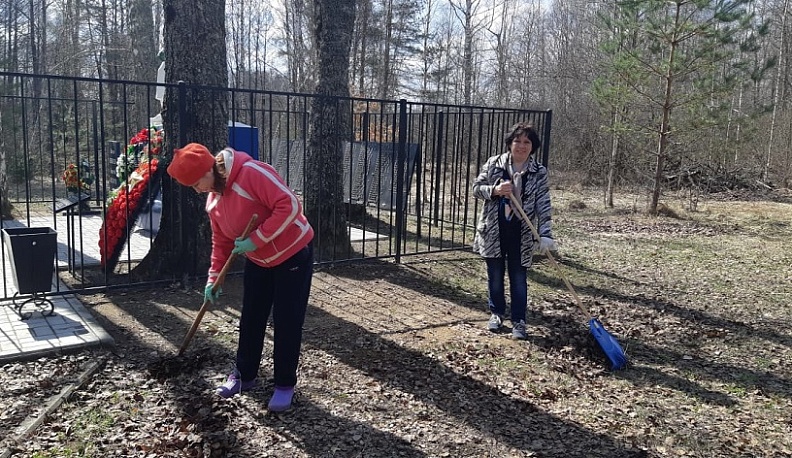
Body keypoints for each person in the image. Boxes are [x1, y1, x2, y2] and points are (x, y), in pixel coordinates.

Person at [167, 143, 314, 411]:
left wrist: (257, 239)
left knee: (287, 321)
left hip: (292, 253)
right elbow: (221, 241)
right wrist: (214, 279)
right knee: (251, 319)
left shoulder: (251, 173)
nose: (197, 190)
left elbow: (290, 205)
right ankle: (245, 376)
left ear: (209, 170)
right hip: (259, 260)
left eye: (197, 183)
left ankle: (284, 384)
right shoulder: (213, 201)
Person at [472, 122, 556, 340]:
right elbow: (476, 189)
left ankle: (519, 320)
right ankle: (496, 313)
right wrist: (495, 190)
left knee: (518, 278)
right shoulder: (494, 164)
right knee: (495, 276)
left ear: (532, 146)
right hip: (493, 231)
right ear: (510, 143)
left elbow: (543, 204)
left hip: (522, 233)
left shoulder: (538, 172)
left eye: (527, 142)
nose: (521, 145)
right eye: (517, 140)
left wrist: (545, 234)